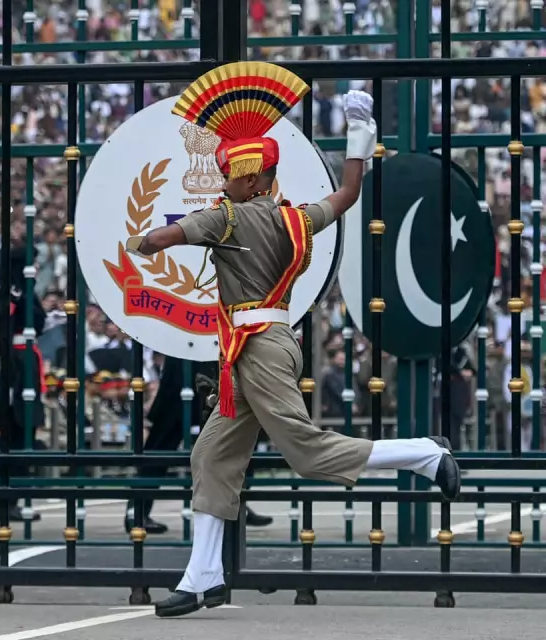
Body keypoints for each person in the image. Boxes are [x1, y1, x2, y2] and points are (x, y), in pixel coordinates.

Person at [122, 62, 461, 618]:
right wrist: (359, 129)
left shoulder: (225, 218)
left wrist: (144, 240)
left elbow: (163, 237)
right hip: (264, 342)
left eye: (231, 174)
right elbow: (349, 191)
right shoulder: (296, 219)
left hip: (255, 348)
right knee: (212, 455)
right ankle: (202, 576)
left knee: (305, 452)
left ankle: (423, 455)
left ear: (253, 178)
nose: (223, 182)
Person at [126, 356, 273, 534]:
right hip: (187, 363)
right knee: (162, 442)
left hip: (215, 359)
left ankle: (235, 505)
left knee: (234, 439)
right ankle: (137, 510)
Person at [0, 245, 48, 523]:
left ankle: (14, 502)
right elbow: (1, 334)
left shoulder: (17, 291)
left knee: (23, 438)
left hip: (23, 365)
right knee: (17, 437)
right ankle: (9, 502)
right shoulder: (15, 292)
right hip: (18, 368)